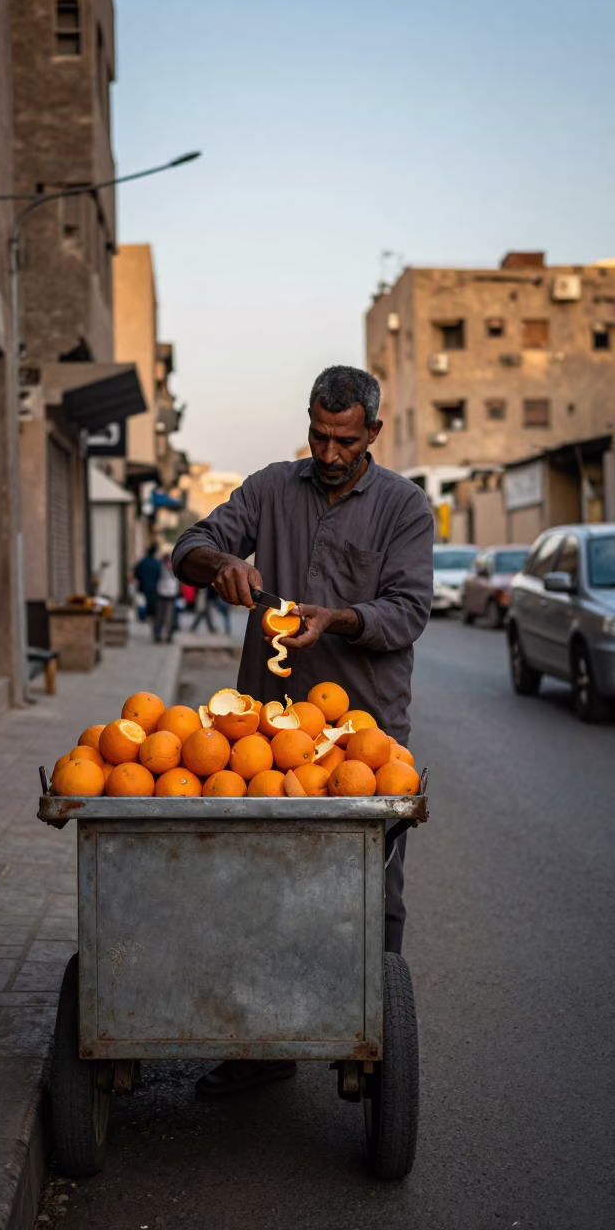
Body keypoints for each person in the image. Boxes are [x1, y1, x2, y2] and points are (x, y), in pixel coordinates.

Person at [172, 365, 433, 1095]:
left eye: (343, 440)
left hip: (364, 735)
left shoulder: (405, 508)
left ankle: (365, 1042)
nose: (327, 452)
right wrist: (221, 561)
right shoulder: (268, 489)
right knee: (260, 880)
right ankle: (263, 1044)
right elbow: (189, 543)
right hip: (262, 735)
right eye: (318, 435)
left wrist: (340, 617)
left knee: (368, 890)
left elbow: (409, 611)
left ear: (372, 432)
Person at [152, 554, 179, 643]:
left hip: (171, 595)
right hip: (161, 594)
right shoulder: (160, 568)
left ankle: (169, 635)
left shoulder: (176, 569)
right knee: (160, 615)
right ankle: (157, 634)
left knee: (169, 617)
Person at [133, 544, 161, 622]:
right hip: (154, 588)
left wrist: (141, 579)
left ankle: (143, 618)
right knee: (151, 603)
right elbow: (159, 575)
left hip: (143, 587)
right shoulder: (157, 563)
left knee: (143, 603)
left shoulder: (142, 562)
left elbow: (136, 572)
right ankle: (151, 616)